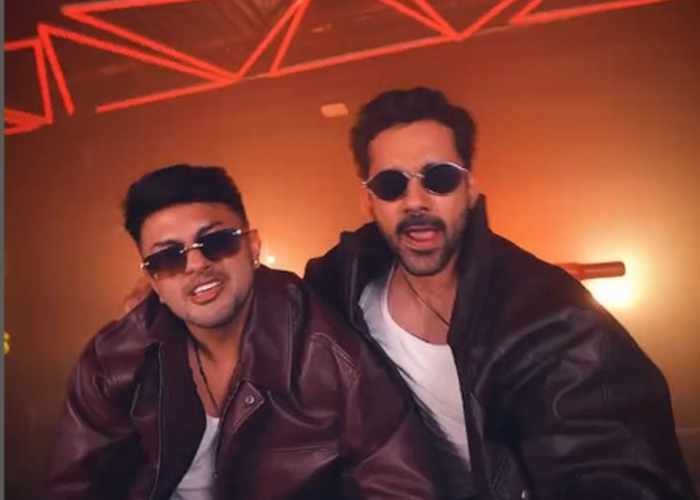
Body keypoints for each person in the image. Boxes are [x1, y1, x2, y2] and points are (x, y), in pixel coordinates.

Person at [304, 87, 697, 500]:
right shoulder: (340, 294)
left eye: (440, 179)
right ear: (369, 202)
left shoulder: (552, 316)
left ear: (470, 188)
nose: (415, 201)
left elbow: (608, 463)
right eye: (390, 185)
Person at [46, 164, 443, 500]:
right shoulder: (115, 362)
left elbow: (403, 485)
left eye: (216, 242)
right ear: (153, 281)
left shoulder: (330, 354)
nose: (196, 265)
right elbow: (74, 488)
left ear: (253, 246)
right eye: (168, 257)